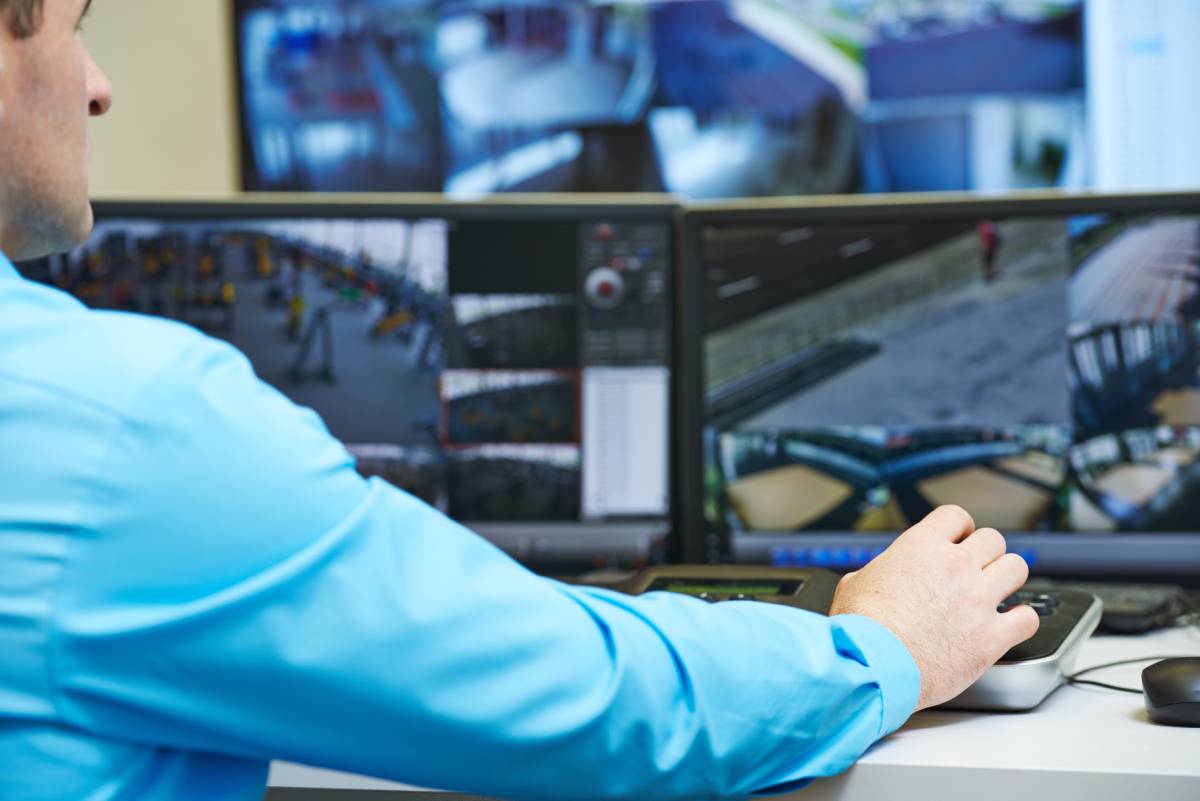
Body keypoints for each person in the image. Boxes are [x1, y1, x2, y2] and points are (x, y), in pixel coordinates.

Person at [0, 2, 1040, 800]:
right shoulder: (119, 426)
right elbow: (592, 703)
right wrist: (878, 645)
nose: (96, 88)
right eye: (75, 28)